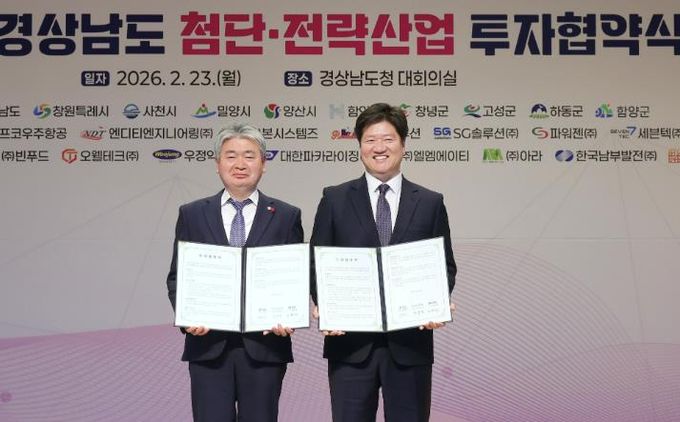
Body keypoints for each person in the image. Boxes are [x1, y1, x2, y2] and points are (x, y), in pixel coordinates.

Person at [310, 103, 457, 422]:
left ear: (403, 144)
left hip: (411, 345)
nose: (379, 148)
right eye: (370, 140)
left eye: (388, 139)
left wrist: (436, 301)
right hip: (349, 345)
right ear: (360, 146)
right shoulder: (334, 199)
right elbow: (317, 263)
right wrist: (327, 305)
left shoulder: (430, 202)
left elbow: (444, 265)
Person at [166, 123, 303, 422]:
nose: (240, 164)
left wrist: (289, 316)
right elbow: (177, 277)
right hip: (208, 346)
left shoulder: (286, 215)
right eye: (231, 156)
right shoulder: (192, 214)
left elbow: (294, 276)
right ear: (217, 164)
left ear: (263, 164)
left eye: (249, 156)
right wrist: (188, 317)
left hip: (265, 347)